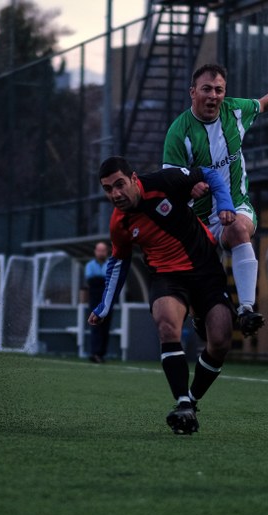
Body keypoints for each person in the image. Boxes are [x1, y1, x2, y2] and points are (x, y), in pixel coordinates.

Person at [88, 156, 236, 435]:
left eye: (119, 184)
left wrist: (226, 205)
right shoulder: (119, 222)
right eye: (108, 189)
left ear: (134, 179)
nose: (115, 194)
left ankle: (192, 400)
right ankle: (182, 403)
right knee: (167, 326)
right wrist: (104, 306)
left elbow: (208, 173)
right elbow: (118, 262)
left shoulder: (164, 181)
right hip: (167, 277)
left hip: (205, 269)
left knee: (220, 340)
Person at [162, 63, 268, 337]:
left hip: (237, 204)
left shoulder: (235, 111)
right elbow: (169, 181)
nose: (213, 96)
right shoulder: (179, 133)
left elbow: (265, 103)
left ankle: (247, 309)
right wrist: (189, 187)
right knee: (204, 303)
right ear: (193, 92)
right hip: (197, 220)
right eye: (206, 89)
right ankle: (198, 313)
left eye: (219, 90)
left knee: (238, 229)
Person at [85, 242, 112, 363]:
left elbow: (109, 280)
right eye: (99, 250)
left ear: (107, 252)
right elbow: (92, 280)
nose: (101, 253)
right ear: (95, 251)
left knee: (105, 327)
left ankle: (101, 353)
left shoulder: (110, 264)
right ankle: (95, 352)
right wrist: (103, 281)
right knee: (95, 325)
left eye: (103, 250)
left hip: (107, 300)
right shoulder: (89, 265)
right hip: (95, 300)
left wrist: (100, 281)